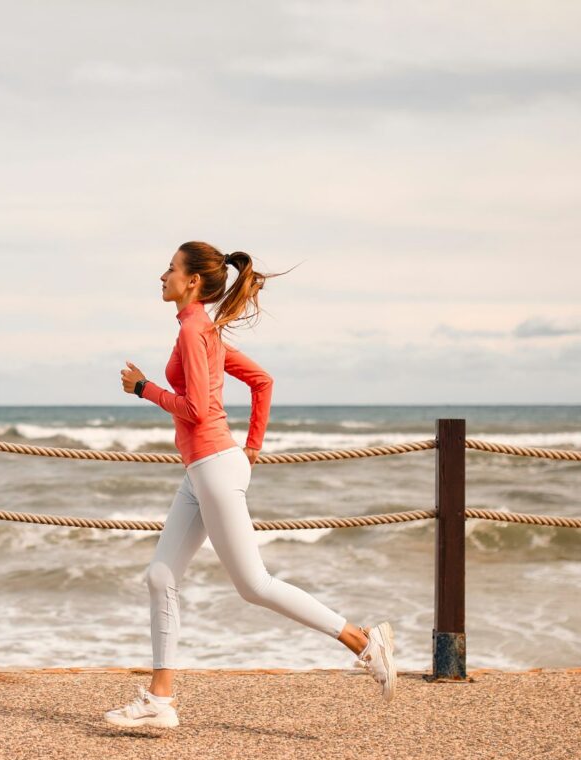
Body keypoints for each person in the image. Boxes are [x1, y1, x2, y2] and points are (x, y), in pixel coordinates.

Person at [104, 241, 396, 729]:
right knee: (160, 576)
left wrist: (144, 389)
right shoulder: (203, 330)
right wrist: (252, 448)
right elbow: (263, 381)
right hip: (206, 470)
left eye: (171, 268)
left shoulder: (197, 329)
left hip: (215, 466)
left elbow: (197, 410)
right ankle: (160, 700)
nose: (163, 276)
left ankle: (364, 643)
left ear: (192, 280)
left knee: (254, 585)